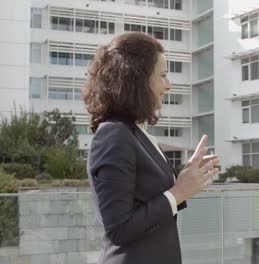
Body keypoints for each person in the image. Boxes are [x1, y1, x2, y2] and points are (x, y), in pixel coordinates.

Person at [82, 32, 219, 264]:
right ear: (136, 79)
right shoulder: (114, 134)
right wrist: (178, 192)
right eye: (163, 75)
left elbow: (152, 199)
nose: (168, 85)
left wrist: (183, 180)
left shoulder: (135, 132)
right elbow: (119, 229)